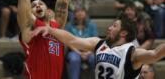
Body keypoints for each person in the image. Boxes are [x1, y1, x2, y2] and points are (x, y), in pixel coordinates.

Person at [33, 15, 165, 79]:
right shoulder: (99, 43)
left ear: (123, 33)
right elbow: (72, 40)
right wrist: (50, 30)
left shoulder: (132, 53)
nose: (109, 28)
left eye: (114, 26)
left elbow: (155, 54)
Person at [17, 0, 69, 79]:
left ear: (47, 9)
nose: (38, 6)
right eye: (34, 5)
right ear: (30, 12)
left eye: (41, 4)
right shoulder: (29, 27)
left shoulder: (57, 26)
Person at [65, 8, 97, 79]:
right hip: (74, 50)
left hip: (89, 51)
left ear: (85, 13)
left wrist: (88, 52)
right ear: (74, 14)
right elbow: (68, 42)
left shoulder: (92, 25)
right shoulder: (69, 26)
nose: (80, 13)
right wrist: (80, 53)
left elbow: (95, 41)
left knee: (94, 58)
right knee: (74, 59)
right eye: (77, 11)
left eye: (82, 11)